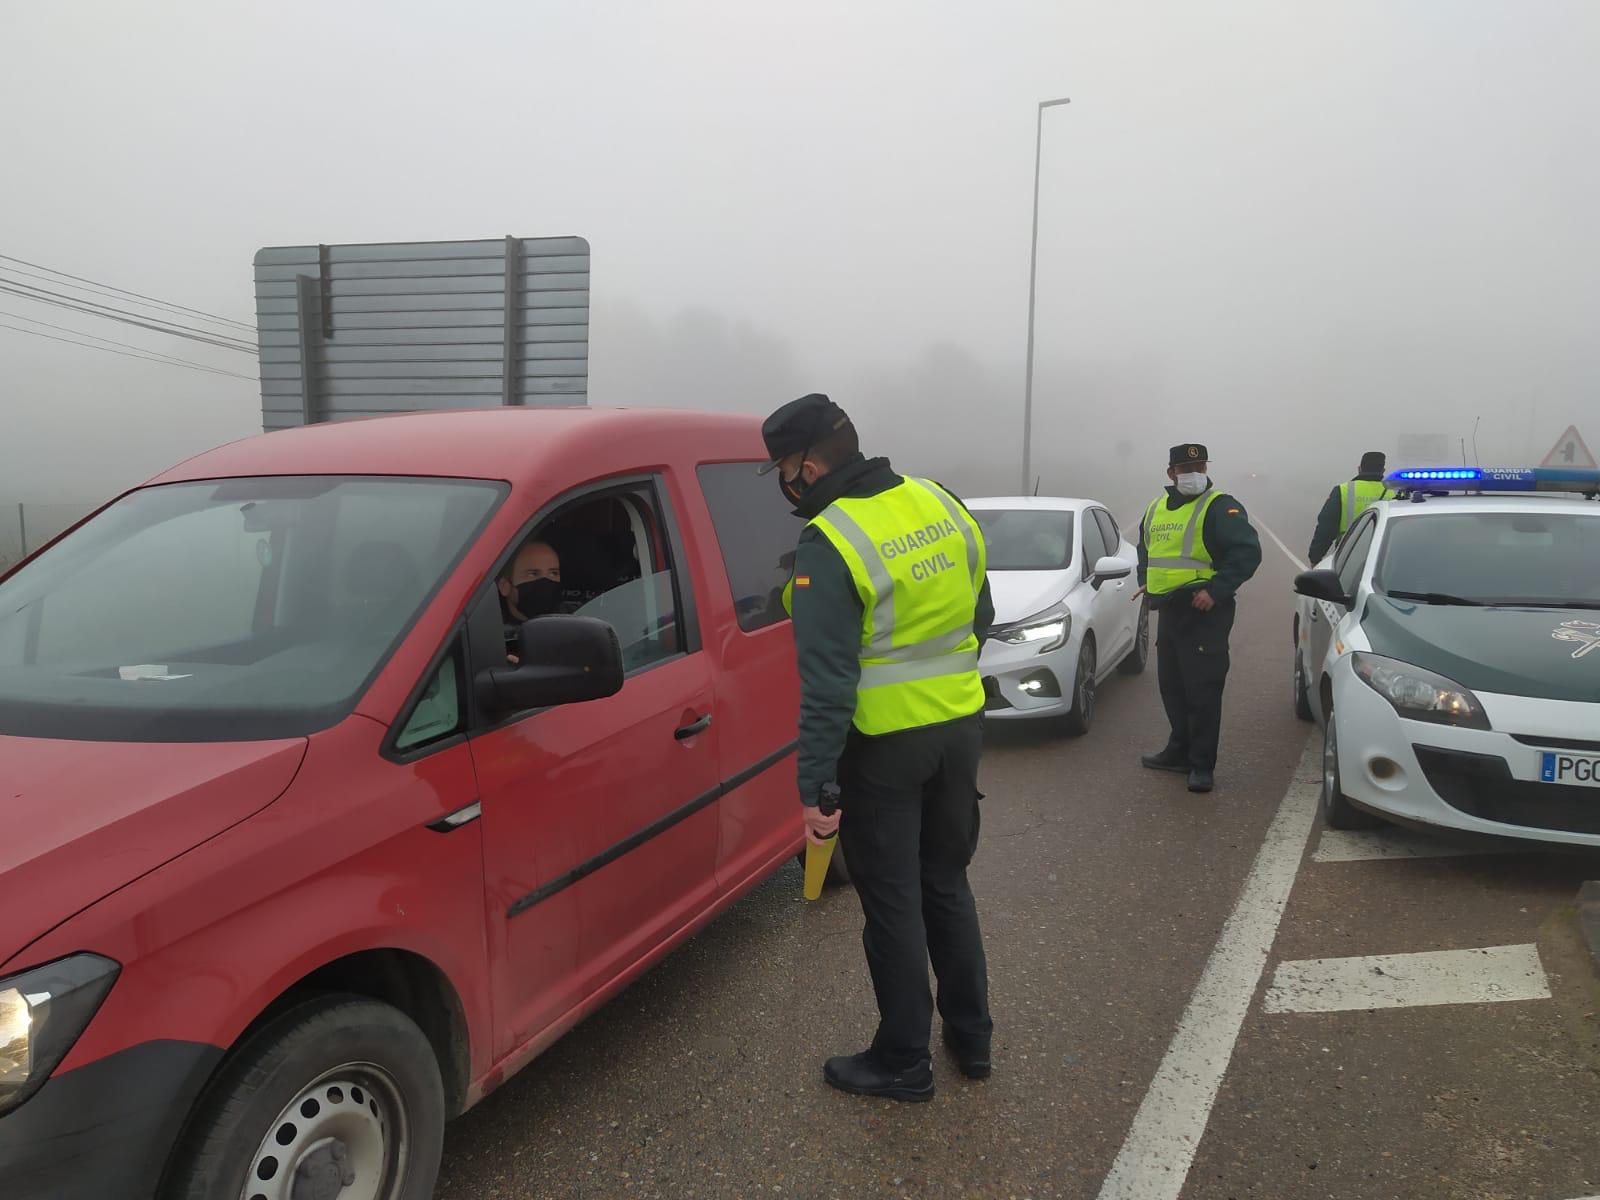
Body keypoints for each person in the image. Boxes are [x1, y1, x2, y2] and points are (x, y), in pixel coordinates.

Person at [763, 392, 996, 1102]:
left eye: (782, 468)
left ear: (805, 465)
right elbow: (980, 611)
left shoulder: (830, 542)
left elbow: (829, 682)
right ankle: (972, 1038)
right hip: (958, 730)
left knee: (892, 906)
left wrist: (815, 785)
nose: (784, 482)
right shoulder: (940, 501)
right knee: (947, 885)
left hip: (882, 748)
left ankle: (903, 1060)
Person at [1136, 443, 1261, 794]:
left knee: (1202, 691)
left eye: (1200, 466)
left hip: (1205, 611)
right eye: (1185, 468)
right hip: (1170, 611)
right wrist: (1144, 581)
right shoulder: (1156, 507)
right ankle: (1179, 751)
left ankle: (1201, 765)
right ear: (1171, 473)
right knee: (1172, 686)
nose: (1193, 473)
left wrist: (1217, 590)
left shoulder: (1221, 506)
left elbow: (1247, 553)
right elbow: (1145, 551)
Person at [1308, 451, 1391, 562]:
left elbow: (1326, 526)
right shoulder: (1393, 492)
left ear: (1359, 468)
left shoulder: (1343, 490)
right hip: (1384, 558)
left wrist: (1315, 557)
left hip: (1348, 557)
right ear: (1383, 471)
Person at [498, 540, 565, 660]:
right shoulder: (492, 638)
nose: (545, 582)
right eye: (533, 574)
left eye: (553, 573)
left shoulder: (572, 624)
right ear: (504, 586)